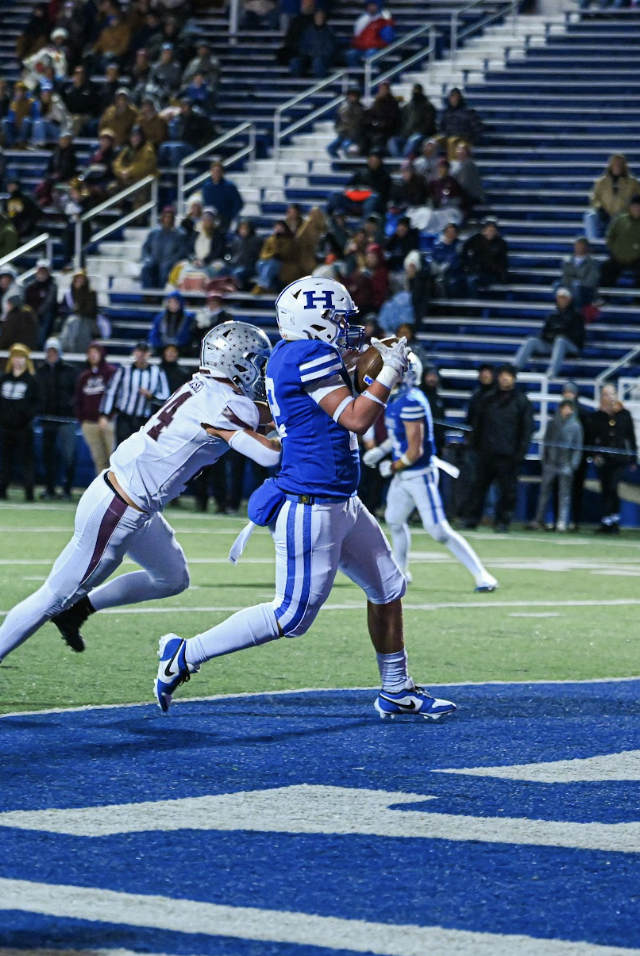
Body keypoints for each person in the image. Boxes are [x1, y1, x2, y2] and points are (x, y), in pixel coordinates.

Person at [154, 275, 457, 722]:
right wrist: (388, 371)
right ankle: (185, 653)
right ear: (315, 323)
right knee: (291, 617)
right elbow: (355, 418)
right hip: (310, 502)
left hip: (340, 499)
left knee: (389, 587)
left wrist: (377, 360)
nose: (348, 326)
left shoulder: (295, 353)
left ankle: (395, 689)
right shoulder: (307, 354)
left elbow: (348, 379)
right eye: (338, 318)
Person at [0, 322, 281, 664]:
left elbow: (262, 416)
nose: (260, 371)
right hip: (119, 510)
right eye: (256, 362)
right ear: (237, 361)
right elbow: (269, 453)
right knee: (52, 596)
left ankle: (78, 611)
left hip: (130, 502)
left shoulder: (207, 387)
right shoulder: (225, 403)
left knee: (172, 578)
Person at [364, 353, 497, 591]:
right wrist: (382, 451)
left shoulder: (412, 401)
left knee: (438, 531)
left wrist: (391, 466)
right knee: (394, 520)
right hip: (404, 474)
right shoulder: (396, 399)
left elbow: (415, 451)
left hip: (419, 473)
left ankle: (483, 576)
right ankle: (401, 572)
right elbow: (399, 439)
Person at [466, 363, 534, 532]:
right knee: (478, 488)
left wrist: (520, 453)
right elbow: (478, 424)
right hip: (485, 452)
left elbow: (527, 429)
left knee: (507, 492)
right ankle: (471, 518)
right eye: (502, 375)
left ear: (514, 378)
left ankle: (502, 521)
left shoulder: (521, 401)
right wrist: (474, 445)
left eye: (508, 375)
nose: (505, 378)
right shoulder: (488, 398)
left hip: (508, 455)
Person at [527, 399, 583, 533]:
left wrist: (573, 465)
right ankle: (539, 519)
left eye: (569, 408)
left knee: (564, 495)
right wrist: (545, 460)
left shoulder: (576, 426)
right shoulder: (552, 423)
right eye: (565, 408)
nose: (567, 411)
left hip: (565, 465)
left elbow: (578, 447)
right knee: (544, 493)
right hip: (550, 464)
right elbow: (546, 442)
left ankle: (561, 522)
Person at [100, 341, 170, 446]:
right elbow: (111, 392)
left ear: (149, 354)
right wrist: (104, 415)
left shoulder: (158, 372)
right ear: (134, 353)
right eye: (139, 351)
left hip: (144, 419)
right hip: (125, 418)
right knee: (122, 448)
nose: (141, 355)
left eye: (144, 352)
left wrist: (151, 396)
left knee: (141, 450)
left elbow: (165, 396)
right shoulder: (124, 370)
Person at [589, 384, 637, 534]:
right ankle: (607, 521)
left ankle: (612, 520)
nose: (609, 397)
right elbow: (592, 437)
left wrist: (633, 458)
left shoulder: (624, 414)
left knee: (612, 488)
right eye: (605, 394)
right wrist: (594, 455)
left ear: (616, 395)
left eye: (611, 394)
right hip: (604, 460)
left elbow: (631, 437)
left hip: (619, 459)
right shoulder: (598, 416)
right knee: (606, 489)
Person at [35, 337, 78, 501]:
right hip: (47, 420)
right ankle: (49, 488)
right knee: (48, 456)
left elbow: (76, 395)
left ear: (59, 352)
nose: (52, 354)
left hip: (66, 420)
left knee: (68, 456)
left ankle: (67, 490)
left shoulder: (70, 371)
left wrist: (70, 408)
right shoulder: (41, 372)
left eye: (54, 351)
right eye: (49, 351)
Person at [514, 287, 585, 379]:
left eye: (564, 298)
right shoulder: (552, 316)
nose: (562, 300)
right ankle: (515, 368)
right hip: (552, 344)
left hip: (571, 346)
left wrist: (561, 335)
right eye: (560, 298)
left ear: (569, 299)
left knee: (560, 340)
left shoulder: (576, 316)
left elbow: (578, 336)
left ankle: (552, 373)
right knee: (531, 340)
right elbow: (543, 334)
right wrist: (551, 337)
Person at [0, 343, 38, 502]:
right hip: (4, 428)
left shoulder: (32, 380)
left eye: (21, 357)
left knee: (26, 462)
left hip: (23, 428)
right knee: (4, 460)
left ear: (26, 359)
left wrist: (26, 416)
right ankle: (2, 490)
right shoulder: (4, 378)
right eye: (15, 357)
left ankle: (29, 493)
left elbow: (37, 403)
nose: (18, 360)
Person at [74, 342, 117, 476]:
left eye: (95, 352)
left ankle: (119, 492)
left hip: (108, 422)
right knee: (99, 459)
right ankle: (103, 491)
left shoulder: (111, 373)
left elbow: (116, 396)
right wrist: (82, 420)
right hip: (89, 423)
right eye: (90, 353)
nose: (92, 355)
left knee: (114, 458)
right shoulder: (84, 376)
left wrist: (108, 416)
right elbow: (78, 399)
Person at [584, 154, 640, 243]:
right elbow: (594, 198)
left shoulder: (633, 183)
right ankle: (592, 242)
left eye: (620, 164)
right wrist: (600, 208)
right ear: (610, 166)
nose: (617, 167)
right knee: (590, 216)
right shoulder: (601, 182)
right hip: (605, 214)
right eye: (615, 164)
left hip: (624, 215)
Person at [560, 380, 591, 531]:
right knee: (560, 491)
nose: (568, 395)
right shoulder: (559, 412)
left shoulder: (583, 413)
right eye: (565, 392)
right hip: (560, 461)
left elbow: (587, 437)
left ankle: (575, 521)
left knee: (577, 491)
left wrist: (578, 460)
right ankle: (561, 521)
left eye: (570, 392)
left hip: (579, 460)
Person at [140, 206, 187, 289]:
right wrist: (147, 258)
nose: (167, 219)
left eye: (170, 217)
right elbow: (145, 248)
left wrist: (171, 262)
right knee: (146, 268)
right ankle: (148, 296)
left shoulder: (180, 234)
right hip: (154, 261)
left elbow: (181, 253)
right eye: (166, 216)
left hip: (169, 263)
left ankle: (160, 297)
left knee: (164, 268)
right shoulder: (154, 233)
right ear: (162, 218)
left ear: (173, 219)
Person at [600, 195, 640, 290]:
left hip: (636, 258)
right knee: (606, 268)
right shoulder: (621, 219)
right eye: (634, 206)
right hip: (618, 257)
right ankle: (605, 297)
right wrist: (614, 249)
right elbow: (610, 236)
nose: (636, 209)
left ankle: (637, 300)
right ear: (630, 207)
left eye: (638, 207)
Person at [461, 217, 508, 295]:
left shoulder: (501, 244)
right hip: (476, 271)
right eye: (488, 230)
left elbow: (503, 262)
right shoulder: (475, 239)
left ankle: (474, 304)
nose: (490, 233)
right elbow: (464, 251)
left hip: (491, 273)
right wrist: (468, 266)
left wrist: (502, 276)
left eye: (493, 230)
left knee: (472, 280)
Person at [388, 84, 437, 159]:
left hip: (420, 134)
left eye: (417, 91)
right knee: (392, 141)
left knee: (413, 140)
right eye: (414, 90)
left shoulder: (428, 107)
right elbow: (401, 124)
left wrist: (415, 132)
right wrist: (404, 133)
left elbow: (428, 126)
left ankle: (402, 163)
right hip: (405, 135)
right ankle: (399, 160)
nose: (416, 93)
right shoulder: (406, 107)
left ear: (422, 92)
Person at [58, 269, 101, 354]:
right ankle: (67, 348)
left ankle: (77, 351)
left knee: (77, 322)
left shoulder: (91, 293)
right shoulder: (69, 293)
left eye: (82, 279)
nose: (79, 281)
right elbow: (63, 310)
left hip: (87, 322)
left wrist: (77, 311)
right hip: (71, 322)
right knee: (72, 322)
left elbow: (90, 311)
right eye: (77, 278)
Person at [290, 8, 338, 78]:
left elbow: (330, 49)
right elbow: (302, 46)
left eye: (321, 17)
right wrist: (308, 53)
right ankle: (296, 85)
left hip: (323, 57)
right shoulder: (308, 30)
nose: (320, 18)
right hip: (308, 56)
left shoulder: (329, 31)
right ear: (314, 17)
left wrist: (317, 54)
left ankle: (320, 85)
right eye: (318, 16)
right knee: (295, 61)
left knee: (317, 62)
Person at [346, 1, 395, 69]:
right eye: (370, 5)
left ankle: (371, 76)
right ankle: (356, 76)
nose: (371, 8)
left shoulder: (384, 21)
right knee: (350, 54)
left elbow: (387, 39)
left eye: (373, 5)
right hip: (362, 48)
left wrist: (373, 45)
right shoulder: (362, 20)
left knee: (371, 53)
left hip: (376, 49)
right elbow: (357, 37)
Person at [200, 161, 244, 233]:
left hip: (225, 219)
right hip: (210, 219)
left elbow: (238, 203)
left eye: (218, 171)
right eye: (214, 171)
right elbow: (205, 203)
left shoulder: (229, 186)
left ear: (222, 172)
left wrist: (229, 215)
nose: (216, 173)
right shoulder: (207, 186)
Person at [24, 257, 58, 347]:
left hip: (44, 317)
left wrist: (37, 314)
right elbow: (25, 303)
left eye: (44, 271)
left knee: (46, 317)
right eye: (40, 271)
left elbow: (49, 302)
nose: (42, 273)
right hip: (31, 316)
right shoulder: (30, 287)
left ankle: (39, 346)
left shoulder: (52, 286)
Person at [439, 88, 482, 159]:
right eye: (452, 97)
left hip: (463, 139)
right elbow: (441, 128)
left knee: (451, 141)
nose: (454, 99)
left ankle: (453, 166)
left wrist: (470, 138)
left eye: (456, 97)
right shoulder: (446, 113)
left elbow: (476, 128)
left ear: (460, 98)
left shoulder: (468, 112)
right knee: (432, 142)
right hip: (447, 136)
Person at [148, 289, 195, 354]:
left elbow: (190, 335)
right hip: (162, 348)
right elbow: (154, 333)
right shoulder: (160, 317)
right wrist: (160, 345)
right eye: (170, 302)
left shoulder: (188, 318)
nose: (173, 305)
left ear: (180, 303)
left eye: (175, 302)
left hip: (182, 348)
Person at [559, 237, 599, 311]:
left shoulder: (593, 262)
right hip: (570, 286)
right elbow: (566, 276)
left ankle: (577, 310)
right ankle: (560, 310)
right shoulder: (568, 261)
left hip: (586, 291)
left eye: (581, 246)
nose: (579, 248)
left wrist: (578, 282)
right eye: (577, 245)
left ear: (586, 247)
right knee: (557, 285)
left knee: (576, 285)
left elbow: (591, 281)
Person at [327, 87, 366, 159]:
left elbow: (360, 124)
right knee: (330, 148)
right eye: (350, 95)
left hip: (355, 136)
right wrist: (339, 130)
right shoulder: (342, 108)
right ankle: (338, 167)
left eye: (354, 95)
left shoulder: (362, 109)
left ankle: (348, 166)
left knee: (346, 146)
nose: (351, 97)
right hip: (343, 135)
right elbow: (337, 121)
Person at [420, 364, 446, 458]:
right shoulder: (417, 396)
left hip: (436, 443)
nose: (432, 379)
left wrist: (442, 443)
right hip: (419, 443)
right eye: (429, 375)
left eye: (434, 376)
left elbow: (442, 421)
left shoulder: (438, 399)